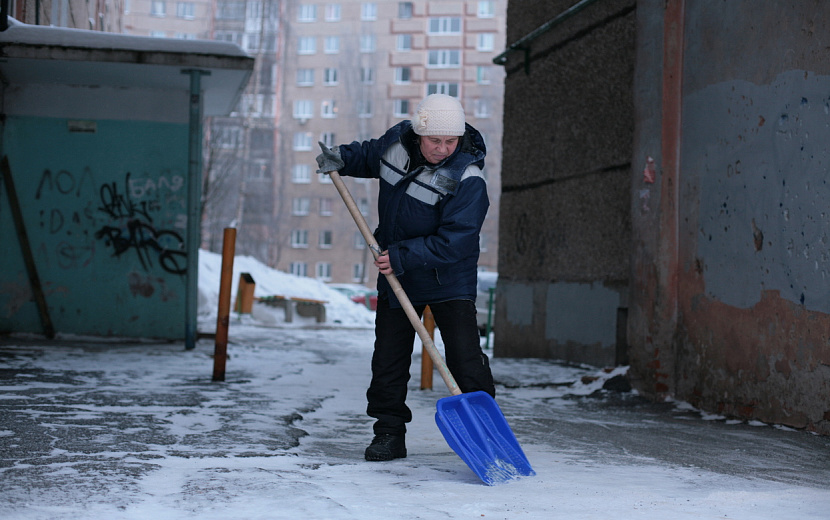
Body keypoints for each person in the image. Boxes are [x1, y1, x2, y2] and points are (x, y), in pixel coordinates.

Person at [315, 94, 495, 462]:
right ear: (419, 134)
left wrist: (400, 256)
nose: (442, 149)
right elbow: (369, 155)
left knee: (465, 360)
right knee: (389, 360)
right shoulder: (396, 145)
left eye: (451, 141)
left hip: (448, 280)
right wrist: (342, 157)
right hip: (398, 277)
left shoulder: (467, 177)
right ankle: (388, 433)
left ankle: (485, 434)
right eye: (435, 140)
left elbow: (457, 240)